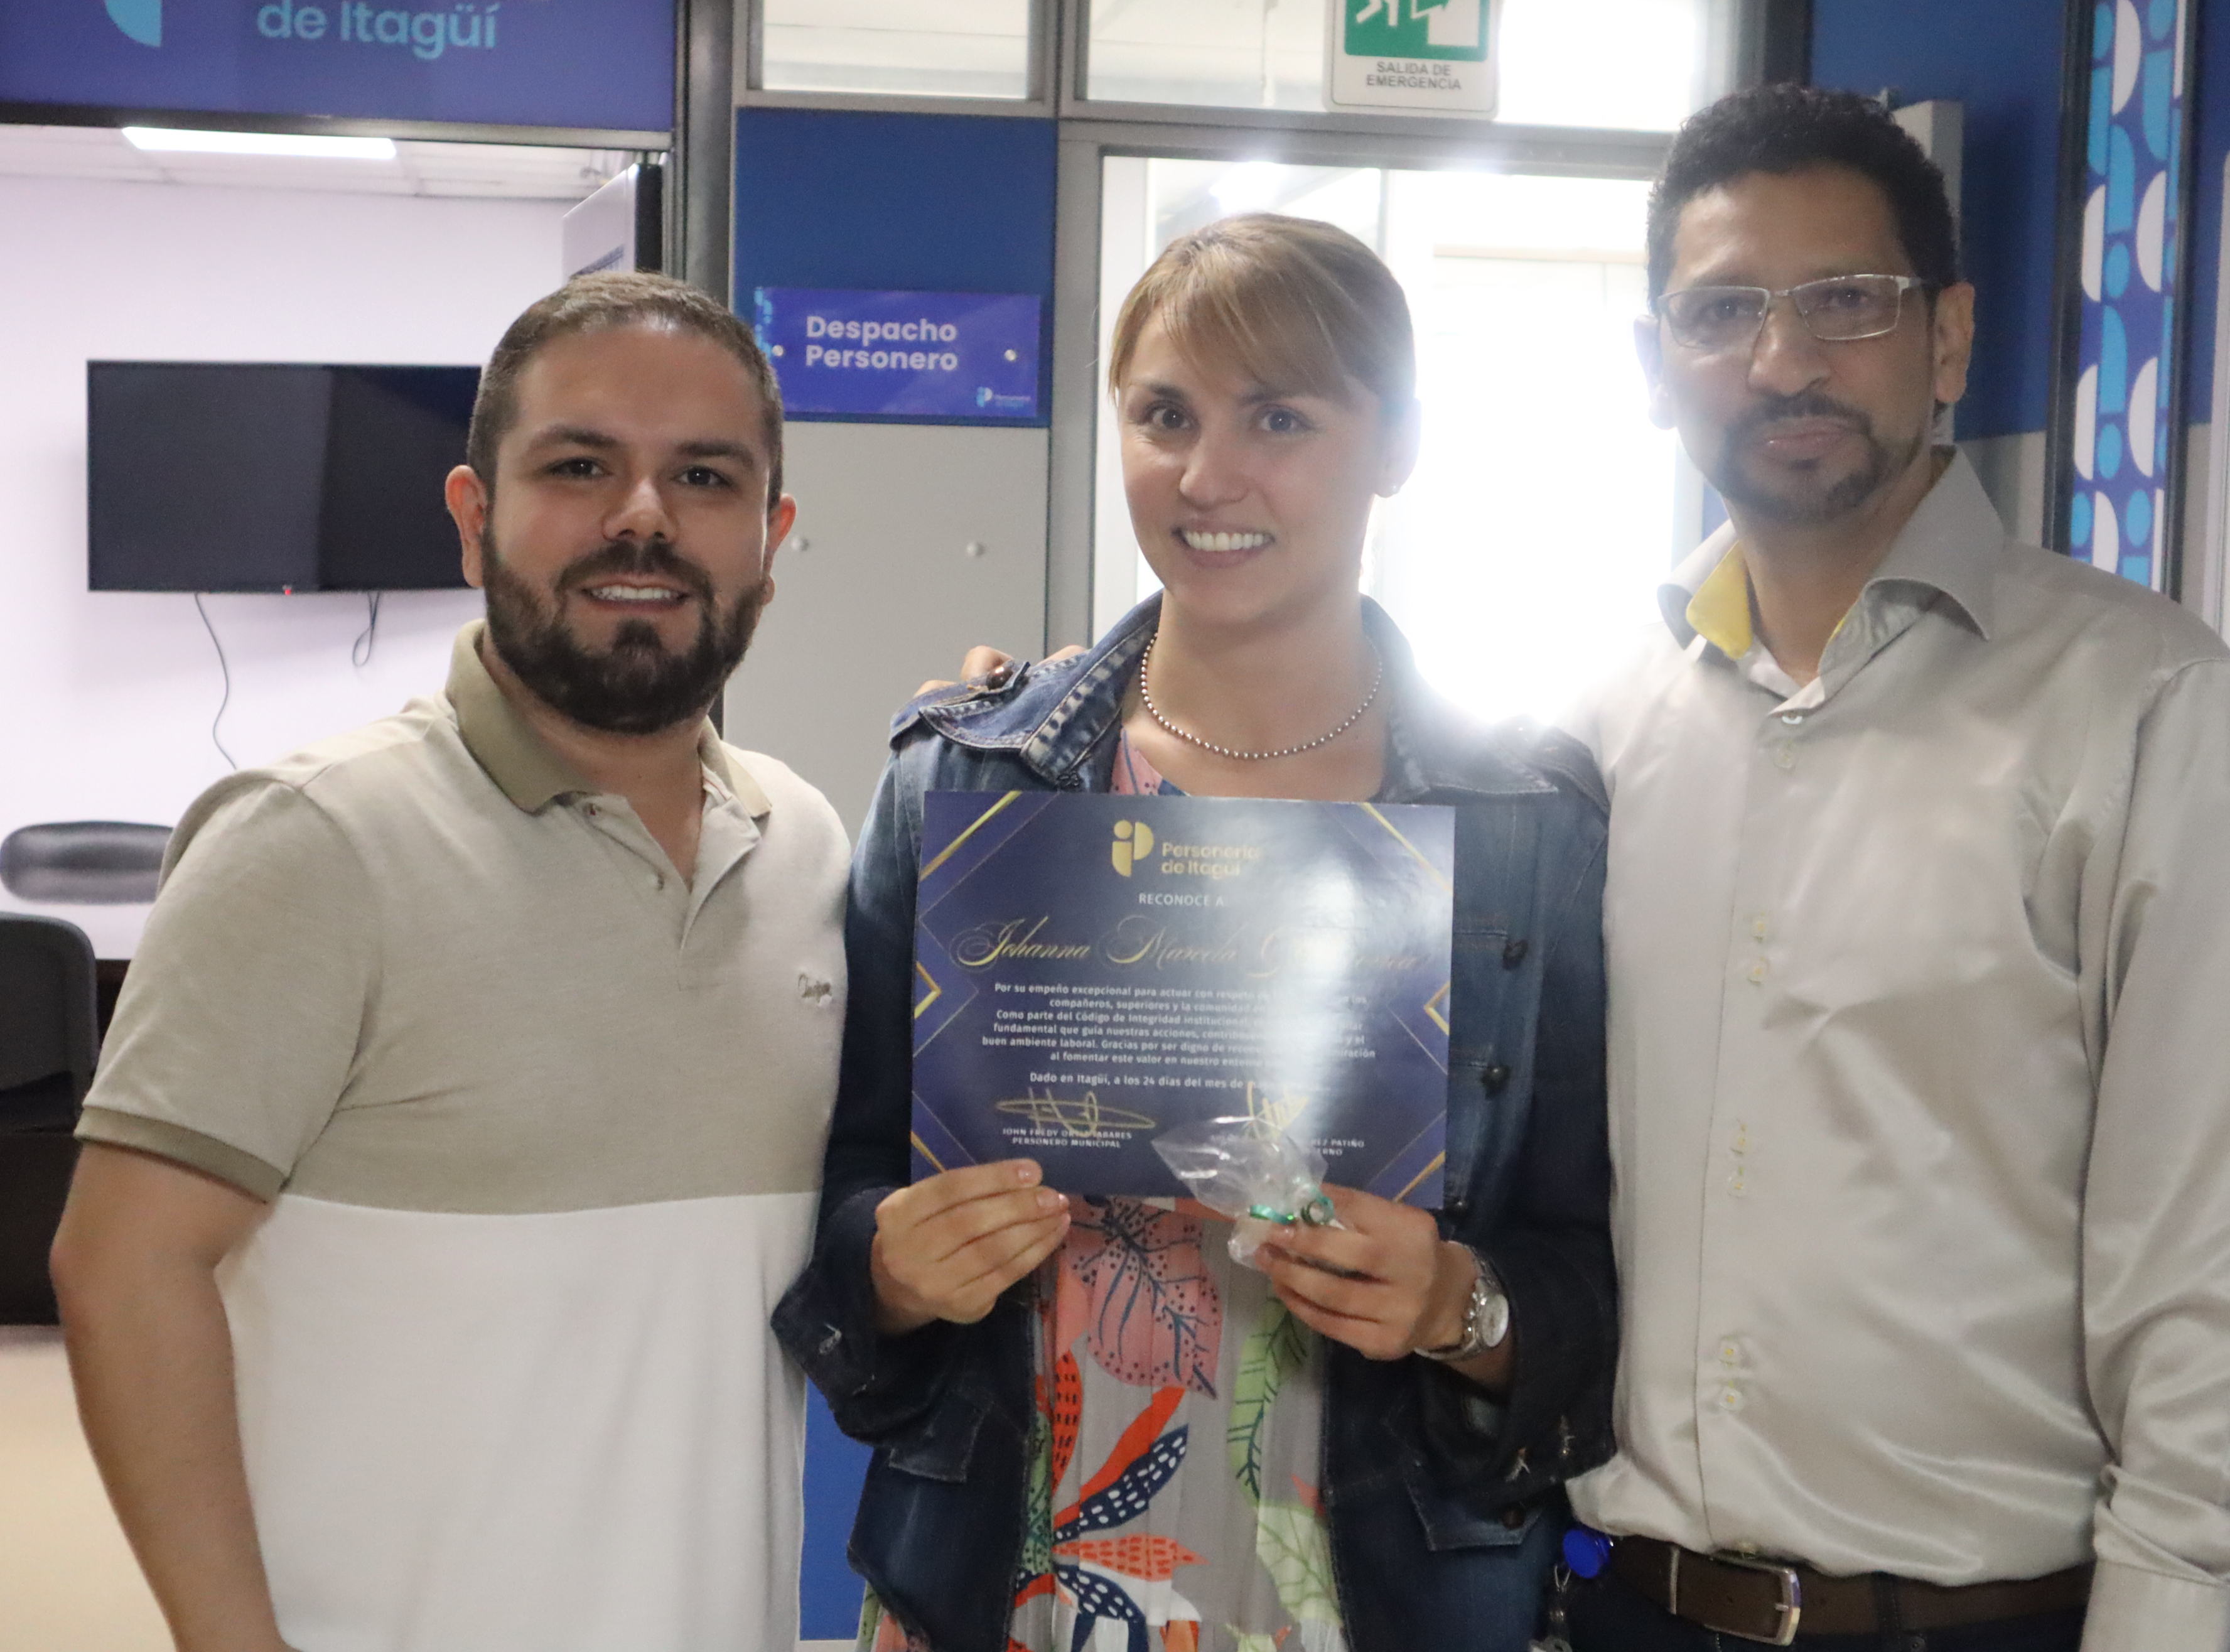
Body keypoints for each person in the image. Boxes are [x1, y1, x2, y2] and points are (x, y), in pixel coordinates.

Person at [774, 213, 1617, 1652]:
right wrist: (892, 1271)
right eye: (1165, 416)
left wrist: (1460, 1309)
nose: (1208, 476)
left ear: (1398, 443)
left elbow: (1595, 1274)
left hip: (1374, 1595)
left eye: (1279, 418)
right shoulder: (969, 784)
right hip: (1007, 1589)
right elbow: (845, 1187)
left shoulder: (1521, 821)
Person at [50, 272, 849, 1652]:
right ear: (475, 515)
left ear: (770, 540)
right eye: (580, 466)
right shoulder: (310, 840)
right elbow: (126, 1271)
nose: (643, 515)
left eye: (704, 476)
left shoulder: (809, 848)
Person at [1558, 85, 2230, 1649]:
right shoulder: (1597, 733)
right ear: (1659, 363)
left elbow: (2200, 1247)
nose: (1782, 360)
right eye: (1723, 310)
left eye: (1847, 301)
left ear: (1949, 337)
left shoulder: (2143, 706)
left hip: (1986, 1621)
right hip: (1626, 1608)